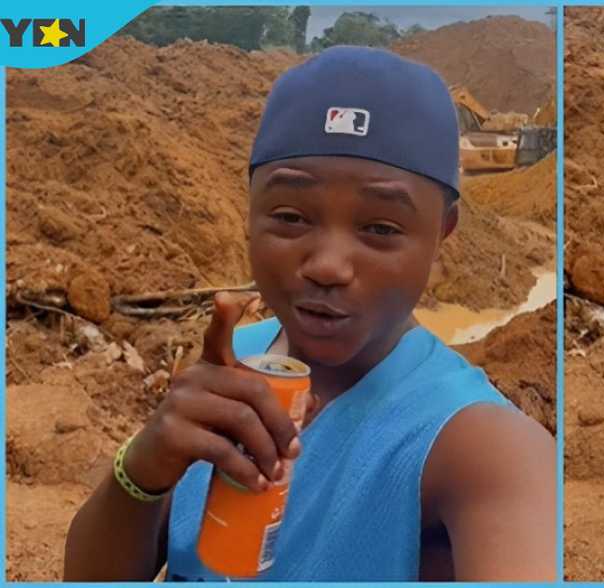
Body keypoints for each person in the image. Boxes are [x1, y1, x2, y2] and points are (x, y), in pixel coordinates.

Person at [63, 46, 556, 582]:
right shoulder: (231, 368)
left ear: (443, 234)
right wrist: (145, 466)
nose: (327, 266)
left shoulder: (481, 445)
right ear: (248, 212)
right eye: (291, 216)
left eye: (381, 229)